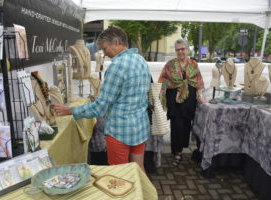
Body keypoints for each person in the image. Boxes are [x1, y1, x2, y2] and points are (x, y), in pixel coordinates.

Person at [53, 26, 151, 171]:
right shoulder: (141, 60)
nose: (104, 53)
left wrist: (71, 110)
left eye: (105, 48)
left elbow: (100, 107)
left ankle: (125, 194)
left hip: (120, 131)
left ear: (116, 42)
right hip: (140, 127)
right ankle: (142, 193)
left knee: (119, 175)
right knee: (138, 169)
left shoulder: (117, 66)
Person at [158, 39, 206, 167]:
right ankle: (177, 152)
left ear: (187, 50)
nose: (180, 52)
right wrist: (165, 90)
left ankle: (181, 148)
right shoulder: (170, 65)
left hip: (189, 101)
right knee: (177, 125)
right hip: (175, 99)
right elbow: (162, 80)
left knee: (186, 125)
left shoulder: (193, 64)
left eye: (182, 49)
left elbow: (199, 82)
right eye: (178, 49)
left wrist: (200, 95)